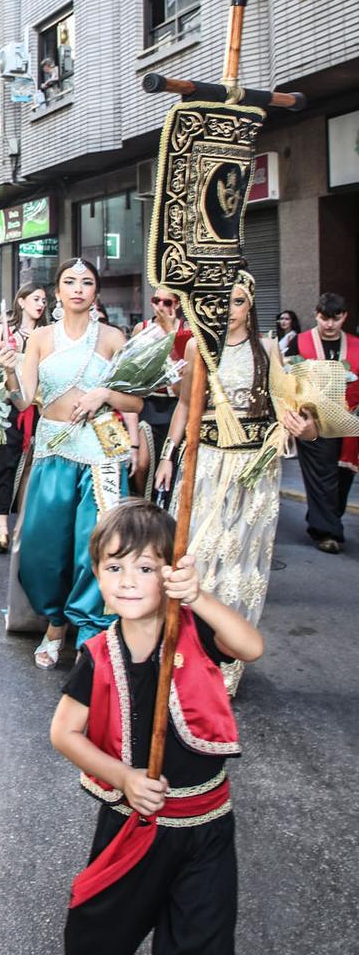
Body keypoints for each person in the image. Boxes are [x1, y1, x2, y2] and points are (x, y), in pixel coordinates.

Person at [50, 499, 263, 955]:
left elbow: (252, 645)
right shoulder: (96, 653)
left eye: (147, 565)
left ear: (170, 572)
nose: (132, 579)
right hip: (129, 828)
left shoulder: (192, 629)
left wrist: (200, 597)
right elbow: (64, 732)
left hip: (204, 827)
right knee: (96, 938)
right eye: (116, 567)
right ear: (98, 575)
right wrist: (121, 775)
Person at [154, 272, 316, 692]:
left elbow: (296, 416)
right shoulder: (196, 347)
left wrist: (303, 427)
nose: (230, 311)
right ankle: (183, 655)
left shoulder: (267, 350)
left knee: (242, 564)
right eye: (222, 302)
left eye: (239, 302)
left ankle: (225, 667)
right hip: (205, 464)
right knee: (196, 557)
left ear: (251, 305)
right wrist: (168, 457)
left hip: (253, 472)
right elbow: (187, 406)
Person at [0, 257, 143, 668]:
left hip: (101, 453)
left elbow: (135, 401)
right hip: (53, 448)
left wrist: (104, 396)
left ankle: (91, 632)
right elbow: (24, 399)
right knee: (43, 547)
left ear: (96, 291)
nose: (78, 288)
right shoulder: (42, 338)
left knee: (94, 545)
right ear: (58, 292)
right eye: (69, 281)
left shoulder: (114, 338)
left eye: (86, 281)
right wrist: (10, 375)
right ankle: (55, 623)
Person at [292, 291, 358, 553]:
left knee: (342, 477)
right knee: (321, 477)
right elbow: (288, 379)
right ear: (316, 315)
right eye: (324, 318)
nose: (329, 325)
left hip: (349, 423)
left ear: (344, 317)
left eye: (336, 318)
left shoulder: (355, 344)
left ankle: (326, 520)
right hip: (314, 423)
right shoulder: (299, 342)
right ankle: (326, 532)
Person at [0, 283, 47, 552]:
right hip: (4, 408)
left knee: (29, 469)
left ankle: (23, 525)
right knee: (1, 467)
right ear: (21, 301)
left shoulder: (47, 335)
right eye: (35, 298)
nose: (40, 304)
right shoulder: (4, 330)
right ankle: (2, 530)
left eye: (44, 300)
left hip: (35, 407)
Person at [130, 288, 193, 502]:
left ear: (176, 304)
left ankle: (163, 509)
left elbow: (182, 381)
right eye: (156, 300)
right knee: (143, 463)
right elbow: (131, 368)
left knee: (171, 464)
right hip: (149, 403)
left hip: (176, 404)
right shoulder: (143, 328)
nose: (161, 306)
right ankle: (141, 501)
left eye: (167, 302)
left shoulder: (187, 331)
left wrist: (169, 333)